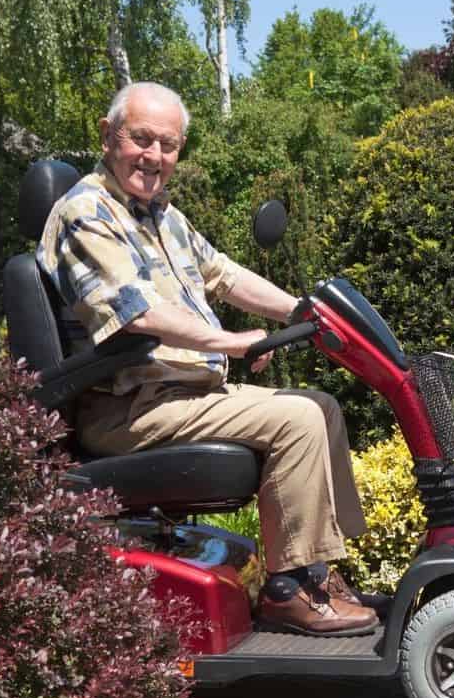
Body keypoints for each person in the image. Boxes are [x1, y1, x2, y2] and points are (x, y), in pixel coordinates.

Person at [37, 81, 376, 636]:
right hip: (129, 408)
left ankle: (321, 569)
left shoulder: (161, 216)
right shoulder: (85, 212)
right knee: (298, 419)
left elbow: (223, 274)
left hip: (185, 396)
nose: (154, 156)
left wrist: (304, 314)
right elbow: (135, 313)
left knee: (322, 405)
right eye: (140, 138)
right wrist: (233, 343)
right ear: (107, 135)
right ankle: (291, 589)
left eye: (168, 145)